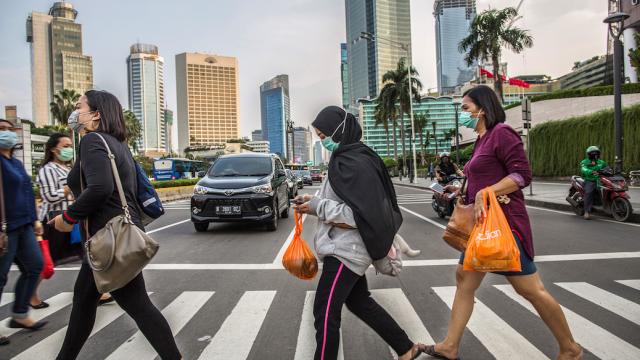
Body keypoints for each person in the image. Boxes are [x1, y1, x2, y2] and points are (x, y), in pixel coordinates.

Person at [424, 85, 583, 360]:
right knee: (464, 279)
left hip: (503, 225)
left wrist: (489, 192)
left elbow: (522, 175)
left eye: (466, 108)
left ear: (482, 109)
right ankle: (450, 345)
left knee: (529, 289)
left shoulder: (502, 134)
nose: (463, 113)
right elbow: (483, 176)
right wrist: (462, 191)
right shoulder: (481, 139)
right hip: (480, 226)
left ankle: (570, 349)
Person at [49, 90, 181, 360]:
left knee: (135, 305)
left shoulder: (92, 140)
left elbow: (100, 188)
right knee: (85, 304)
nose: (75, 112)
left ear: (96, 114)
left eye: (79, 106)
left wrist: (68, 217)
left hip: (108, 240)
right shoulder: (116, 143)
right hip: (110, 237)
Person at [294, 106, 426, 360]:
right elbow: (342, 200)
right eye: (320, 137)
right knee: (358, 301)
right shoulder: (347, 157)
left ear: (339, 130)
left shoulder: (355, 162)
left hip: (347, 250)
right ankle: (406, 348)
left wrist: (316, 206)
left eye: (324, 136)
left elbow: (360, 215)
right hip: (345, 247)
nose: (323, 142)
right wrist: (314, 200)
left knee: (324, 309)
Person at [0, 118, 46, 346]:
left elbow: (28, 192)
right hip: (4, 229)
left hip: (25, 225)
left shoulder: (16, 163)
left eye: (9, 129)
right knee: (0, 277)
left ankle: (19, 313)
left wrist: (35, 219)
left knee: (35, 266)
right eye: (1, 130)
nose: (7, 133)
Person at [580, 146, 607, 220]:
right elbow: (583, 169)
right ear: (589, 154)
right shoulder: (584, 162)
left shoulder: (601, 162)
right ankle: (587, 212)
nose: (595, 155)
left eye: (597, 154)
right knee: (589, 192)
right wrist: (590, 171)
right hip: (589, 180)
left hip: (600, 180)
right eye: (593, 154)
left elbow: (607, 168)